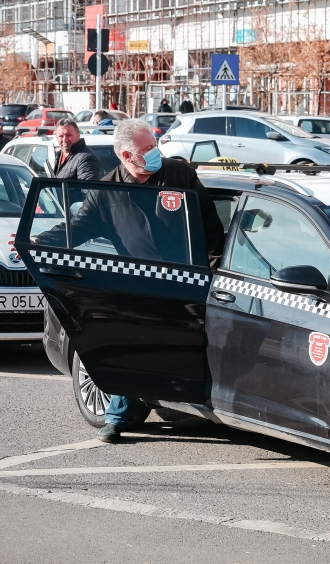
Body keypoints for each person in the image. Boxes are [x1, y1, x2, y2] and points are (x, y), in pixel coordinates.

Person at [78, 118, 226, 443]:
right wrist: (30, 242)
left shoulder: (180, 174)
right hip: (141, 286)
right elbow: (74, 230)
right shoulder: (106, 191)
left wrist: (215, 275)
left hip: (190, 280)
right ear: (127, 156)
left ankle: (207, 404)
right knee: (134, 347)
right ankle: (117, 419)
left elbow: (212, 227)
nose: (156, 151)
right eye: (148, 148)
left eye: (155, 143)